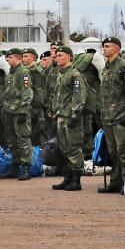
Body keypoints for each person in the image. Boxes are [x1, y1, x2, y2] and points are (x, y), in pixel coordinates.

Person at [97, 37, 125, 194]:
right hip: (108, 117)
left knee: (124, 152)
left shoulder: (124, 66)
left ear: (117, 49)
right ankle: (115, 181)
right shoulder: (107, 67)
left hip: (121, 117)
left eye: (107, 46)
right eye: (103, 47)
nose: (104, 49)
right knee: (113, 152)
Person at [51, 46, 87, 192]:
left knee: (73, 148)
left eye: (60, 55)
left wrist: (75, 114)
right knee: (63, 149)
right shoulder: (61, 74)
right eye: (57, 55)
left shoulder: (75, 75)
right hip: (60, 115)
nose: (57, 57)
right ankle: (67, 178)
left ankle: (76, 180)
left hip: (70, 117)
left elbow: (79, 96)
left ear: (69, 57)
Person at [2, 48, 34, 180]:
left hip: (19, 111)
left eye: (9, 58)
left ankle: (26, 166)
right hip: (9, 110)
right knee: (11, 140)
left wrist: (23, 111)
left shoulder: (23, 72)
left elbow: (27, 93)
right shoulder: (10, 72)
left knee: (23, 139)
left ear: (17, 58)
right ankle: (15, 165)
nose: (7, 60)